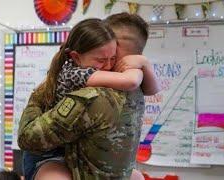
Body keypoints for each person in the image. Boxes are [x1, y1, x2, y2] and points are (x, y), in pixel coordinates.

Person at [19, 13, 159, 179]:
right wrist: (143, 64)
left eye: (112, 57)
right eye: (101, 58)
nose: (107, 65)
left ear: (116, 47)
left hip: (59, 153)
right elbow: (144, 86)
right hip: (53, 154)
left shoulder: (93, 95)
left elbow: (27, 139)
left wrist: (35, 99)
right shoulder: (133, 88)